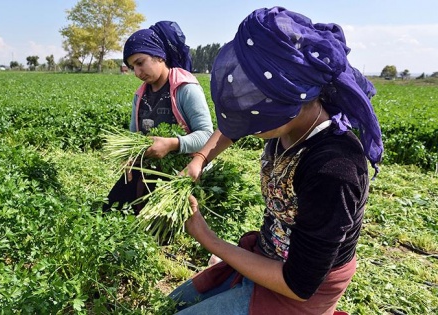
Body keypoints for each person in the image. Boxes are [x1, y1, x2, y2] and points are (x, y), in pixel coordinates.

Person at [169, 7, 384, 315]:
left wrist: (209, 240)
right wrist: (200, 159)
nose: (247, 124)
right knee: (173, 303)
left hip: (301, 290)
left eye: (255, 112)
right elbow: (233, 126)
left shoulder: (334, 169)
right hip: (269, 255)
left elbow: (299, 285)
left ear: (292, 95)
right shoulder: (286, 119)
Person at [102, 21, 213, 215]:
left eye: (140, 63)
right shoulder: (140, 95)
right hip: (149, 166)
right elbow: (134, 135)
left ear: (159, 56)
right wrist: (130, 158)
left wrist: (171, 144)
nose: (137, 72)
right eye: (132, 67)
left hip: (183, 169)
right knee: (110, 211)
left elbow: (207, 136)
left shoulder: (185, 88)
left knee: (156, 226)